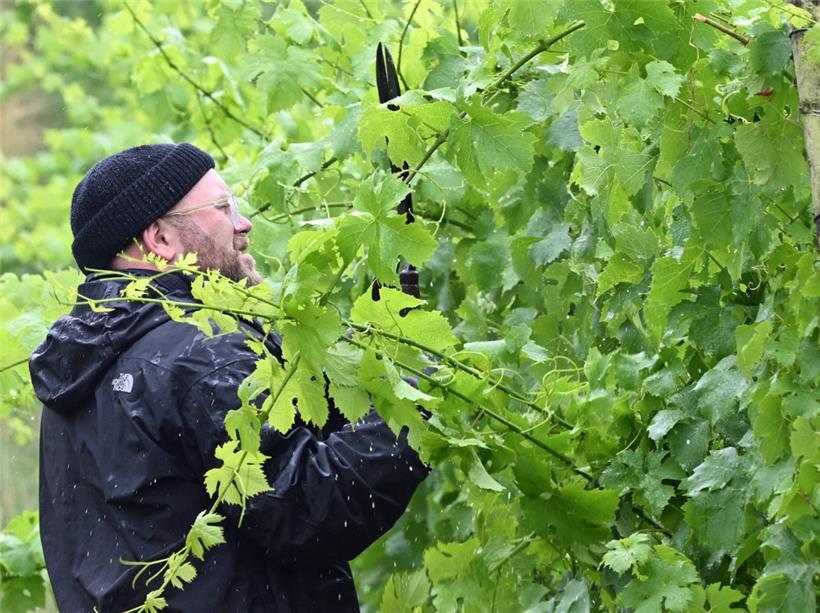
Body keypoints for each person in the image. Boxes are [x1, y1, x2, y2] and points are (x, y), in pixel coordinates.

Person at [29, 143, 427, 612]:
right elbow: (311, 511)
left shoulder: (76, 371)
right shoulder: (200, 352)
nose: (244, 224)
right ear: (160, 240)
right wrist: (411, 403)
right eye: (223, 208)